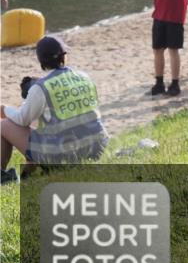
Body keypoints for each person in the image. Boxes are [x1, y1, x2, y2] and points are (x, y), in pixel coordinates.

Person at [1, 36, 109, 184]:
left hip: (63, 158)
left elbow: (22, 119)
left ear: (41, 61)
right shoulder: (85, 77)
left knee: (4, 125)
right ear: (64, 56)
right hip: (95, 149)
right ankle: (27, 174)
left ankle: (2, 176)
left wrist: (4, 109)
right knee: (42, 129)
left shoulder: (42, 87)